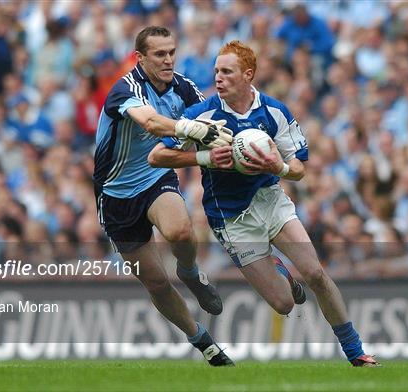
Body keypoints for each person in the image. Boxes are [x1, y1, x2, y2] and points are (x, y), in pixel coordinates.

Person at [148, 40, 380, 367]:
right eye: (216, 71)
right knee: (284, 303)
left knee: (315, 272)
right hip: (231, 218)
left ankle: (355, 351)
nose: (219, 78)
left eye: (227, 72)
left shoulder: (274, 111)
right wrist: (204, 156)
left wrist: (279, 168)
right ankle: (281, 270)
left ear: (248, 75)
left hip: (270, 200)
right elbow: (156, 156)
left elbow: (298, 167)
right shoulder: (201, 115)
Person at [92, 26, 233, 366]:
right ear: (140, 58)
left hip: (154, 176)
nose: (168, 59)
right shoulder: (125, 89)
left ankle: (189, 270)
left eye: (171, 51)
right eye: (159, 54)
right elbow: (151, 122)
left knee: (181, 231)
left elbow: (212, 120)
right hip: (115, 194)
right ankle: (203, 342)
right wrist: (189, 129)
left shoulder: (183, 86)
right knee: (155, 281)